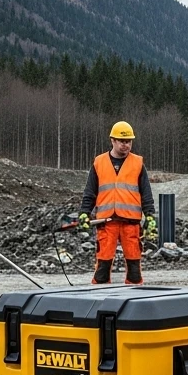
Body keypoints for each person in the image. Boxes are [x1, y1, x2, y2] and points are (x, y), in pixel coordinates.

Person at [79, 121, 157, 285]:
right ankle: (99, 298)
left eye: (128, 141)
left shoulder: (137, 163)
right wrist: (84, 213)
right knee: (103, 265)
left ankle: (135, 299)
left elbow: (146, 193)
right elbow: (90, 192)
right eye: (122, 141)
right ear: (112, 140)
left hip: (131, 223)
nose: (126, 145)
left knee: (134, 266)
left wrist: (150, 215)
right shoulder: (99, 163)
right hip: (107, 222)